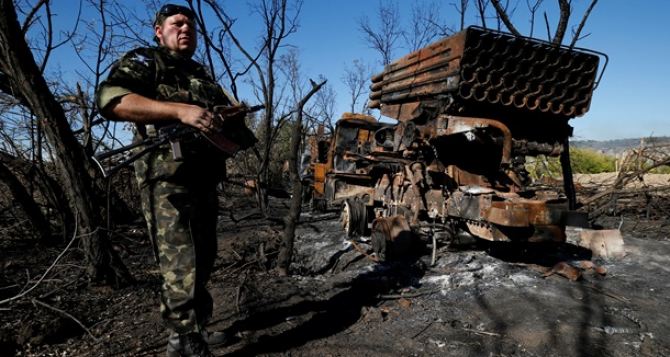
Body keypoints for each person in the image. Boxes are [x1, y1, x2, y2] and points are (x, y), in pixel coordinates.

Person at [96, 4, 238, 356]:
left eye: (190, 24)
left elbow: (229, 129)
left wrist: (228, 118)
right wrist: (180, 110)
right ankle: (186, 342)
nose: (185, 28)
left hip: (203, 179)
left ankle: (192, 330)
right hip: (166, 180)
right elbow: (111, 99)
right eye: (176, 23)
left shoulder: (201, 75)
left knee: (204, 258)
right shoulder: (147, 61)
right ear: (159, 31)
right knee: (180, 261)